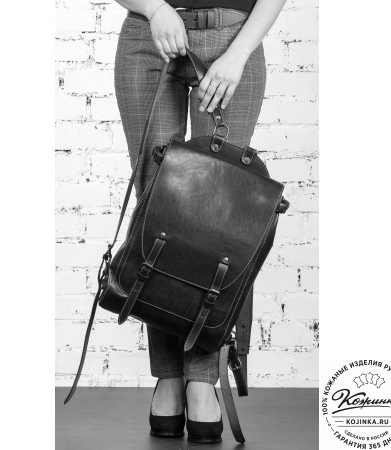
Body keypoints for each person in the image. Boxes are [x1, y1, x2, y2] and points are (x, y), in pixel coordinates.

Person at [114, 0, 287, 443]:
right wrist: (154, 9)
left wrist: (239, 53)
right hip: (149, 38)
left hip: (233, 38)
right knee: (159, 213)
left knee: (217, 218)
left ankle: (201, 380)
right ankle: (169, 376)